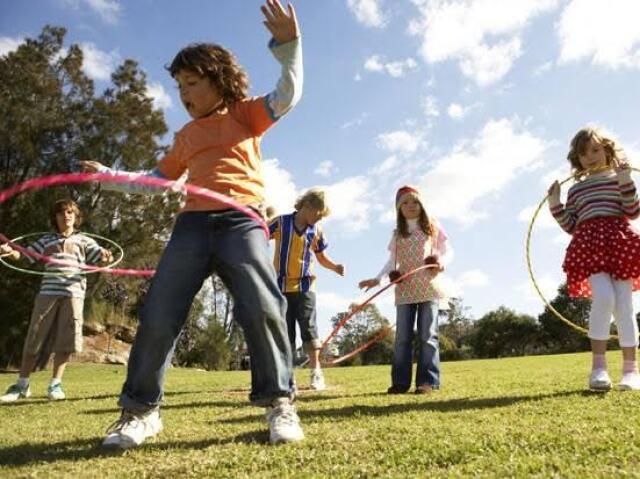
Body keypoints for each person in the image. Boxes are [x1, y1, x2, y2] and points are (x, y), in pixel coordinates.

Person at [81, 0, 304, 447]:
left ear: (218, 80)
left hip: (242, 221)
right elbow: (157, 181)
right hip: (192, 226)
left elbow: (288, 95)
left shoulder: (244, 113)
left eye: (192, 82)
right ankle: (140, 412)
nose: (184, 93)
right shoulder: (185, 136)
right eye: (179, 85)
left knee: (261, 305)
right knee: (160, 313)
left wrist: (289, 47)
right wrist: (110, 178)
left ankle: (280, 403)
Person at [548, 126, 640, 392]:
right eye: (583, 154)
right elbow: (571, 225)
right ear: (577, 159)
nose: (589, 157)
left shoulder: (618, 178)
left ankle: (630, 371)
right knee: (604, 296)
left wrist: (624, 179)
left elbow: (633, 211)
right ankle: (598, 368)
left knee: (624, 304)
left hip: (619, 244)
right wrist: (555, 202)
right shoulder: (576, 190)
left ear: (608, 150)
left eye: (595, 150)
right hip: (589, 245)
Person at [0, 199, 113, 402]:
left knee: (65, 340)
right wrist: (10, 252)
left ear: (76, 217)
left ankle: (55, 384)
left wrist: (106, 256)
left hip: (73, 294)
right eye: (61, 213)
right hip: (47, 293)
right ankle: (22, 384)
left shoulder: (85, 240)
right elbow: (24, 255)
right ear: (55, 218)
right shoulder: (46, 240)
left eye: (70, 212)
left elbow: (102, 258)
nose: (66, 216)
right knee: (34, 336)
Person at [358, 186, 449, 394]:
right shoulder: (398, 233)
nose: (411, 206)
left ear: (422, 205)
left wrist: (440, 262)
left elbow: (446, 250)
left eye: (415, 202)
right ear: (398, 208)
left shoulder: (432, 227)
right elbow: (392, 261)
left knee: (428, 335)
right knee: (403, 338)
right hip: (405, 288)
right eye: (405, 203)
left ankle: (428, 382)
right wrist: (377, 279)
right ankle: (400, 383)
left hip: (428, 285)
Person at [269, 188, 344, 391]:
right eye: (318, 215)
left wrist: (335, 266)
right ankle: (286, 375)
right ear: (308, 206)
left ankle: (315, 372)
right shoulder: (281, 223)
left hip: (305, 286)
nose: (318, 220)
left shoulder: (316, 231)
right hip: (280, 286)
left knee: (309, 329)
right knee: (285, 331)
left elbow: (321, 257)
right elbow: (259, 235)